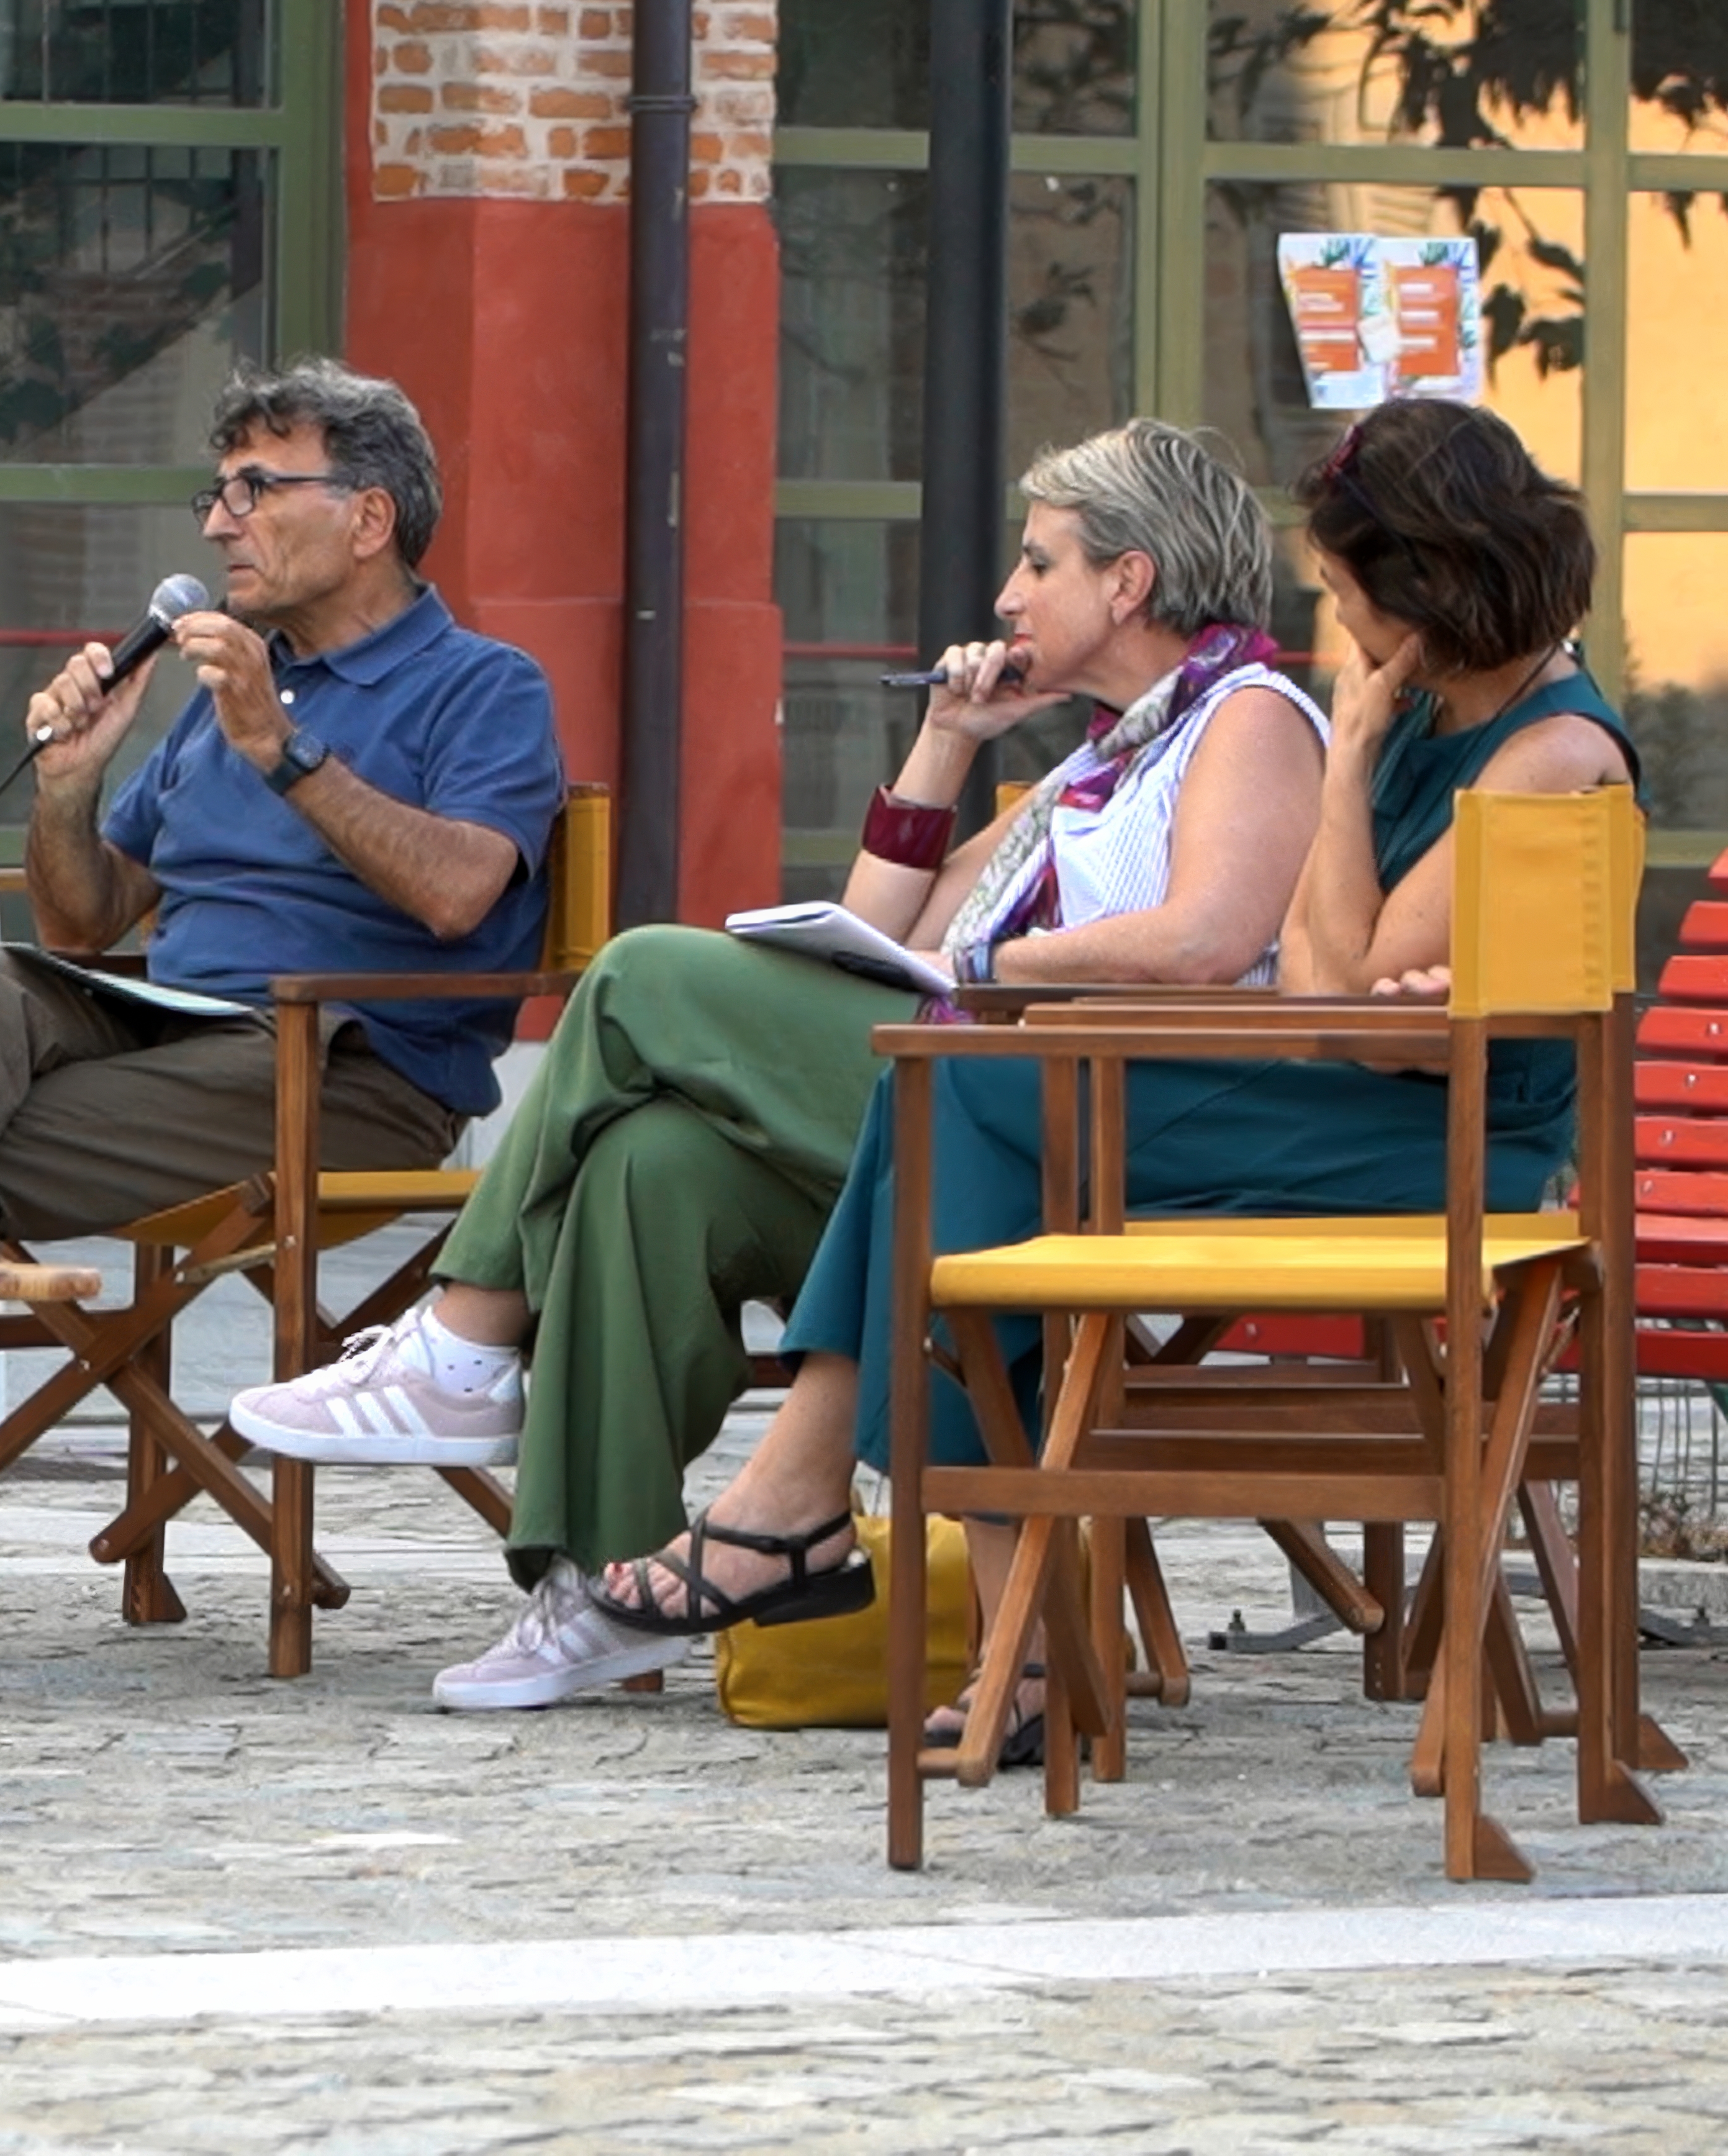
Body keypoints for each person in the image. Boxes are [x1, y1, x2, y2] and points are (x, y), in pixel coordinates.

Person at [226, 419, 1326, 1712]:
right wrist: (954, 742)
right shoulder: (1094, 763)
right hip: (955, 1122)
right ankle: (605, 1578)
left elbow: (1207, 939)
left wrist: (994, 977)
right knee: (656, 1162)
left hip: (1077, 1147)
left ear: (1127, 581)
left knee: (639, 973)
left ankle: (463, 1343)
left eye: (1038, 562)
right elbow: (885, 927)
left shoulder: (1245, 717)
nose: (1005, 594)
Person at [587, 397, 1634, 1756]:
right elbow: (1337, 973)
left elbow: (1330, 996)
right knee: (955, 1106)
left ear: (1419, 589)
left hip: (1438, 1138)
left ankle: (843, 1524)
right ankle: (956, 1581)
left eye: (1340, 588)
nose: (1332, 623)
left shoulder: (1547, 753)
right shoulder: (1438, 704)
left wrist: (1352, 761)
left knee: (956, 1093)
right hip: (1344, 1083)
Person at [0, 358, 566, 1669]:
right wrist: (71, 787)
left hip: (338, 1069)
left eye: (257, 486)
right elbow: (82, 921)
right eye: (218, 488)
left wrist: (284, 751)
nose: (217, 520)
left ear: (369, 515)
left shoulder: (482, 687)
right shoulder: (223, 694)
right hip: (162, 1034)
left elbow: (462, 893)